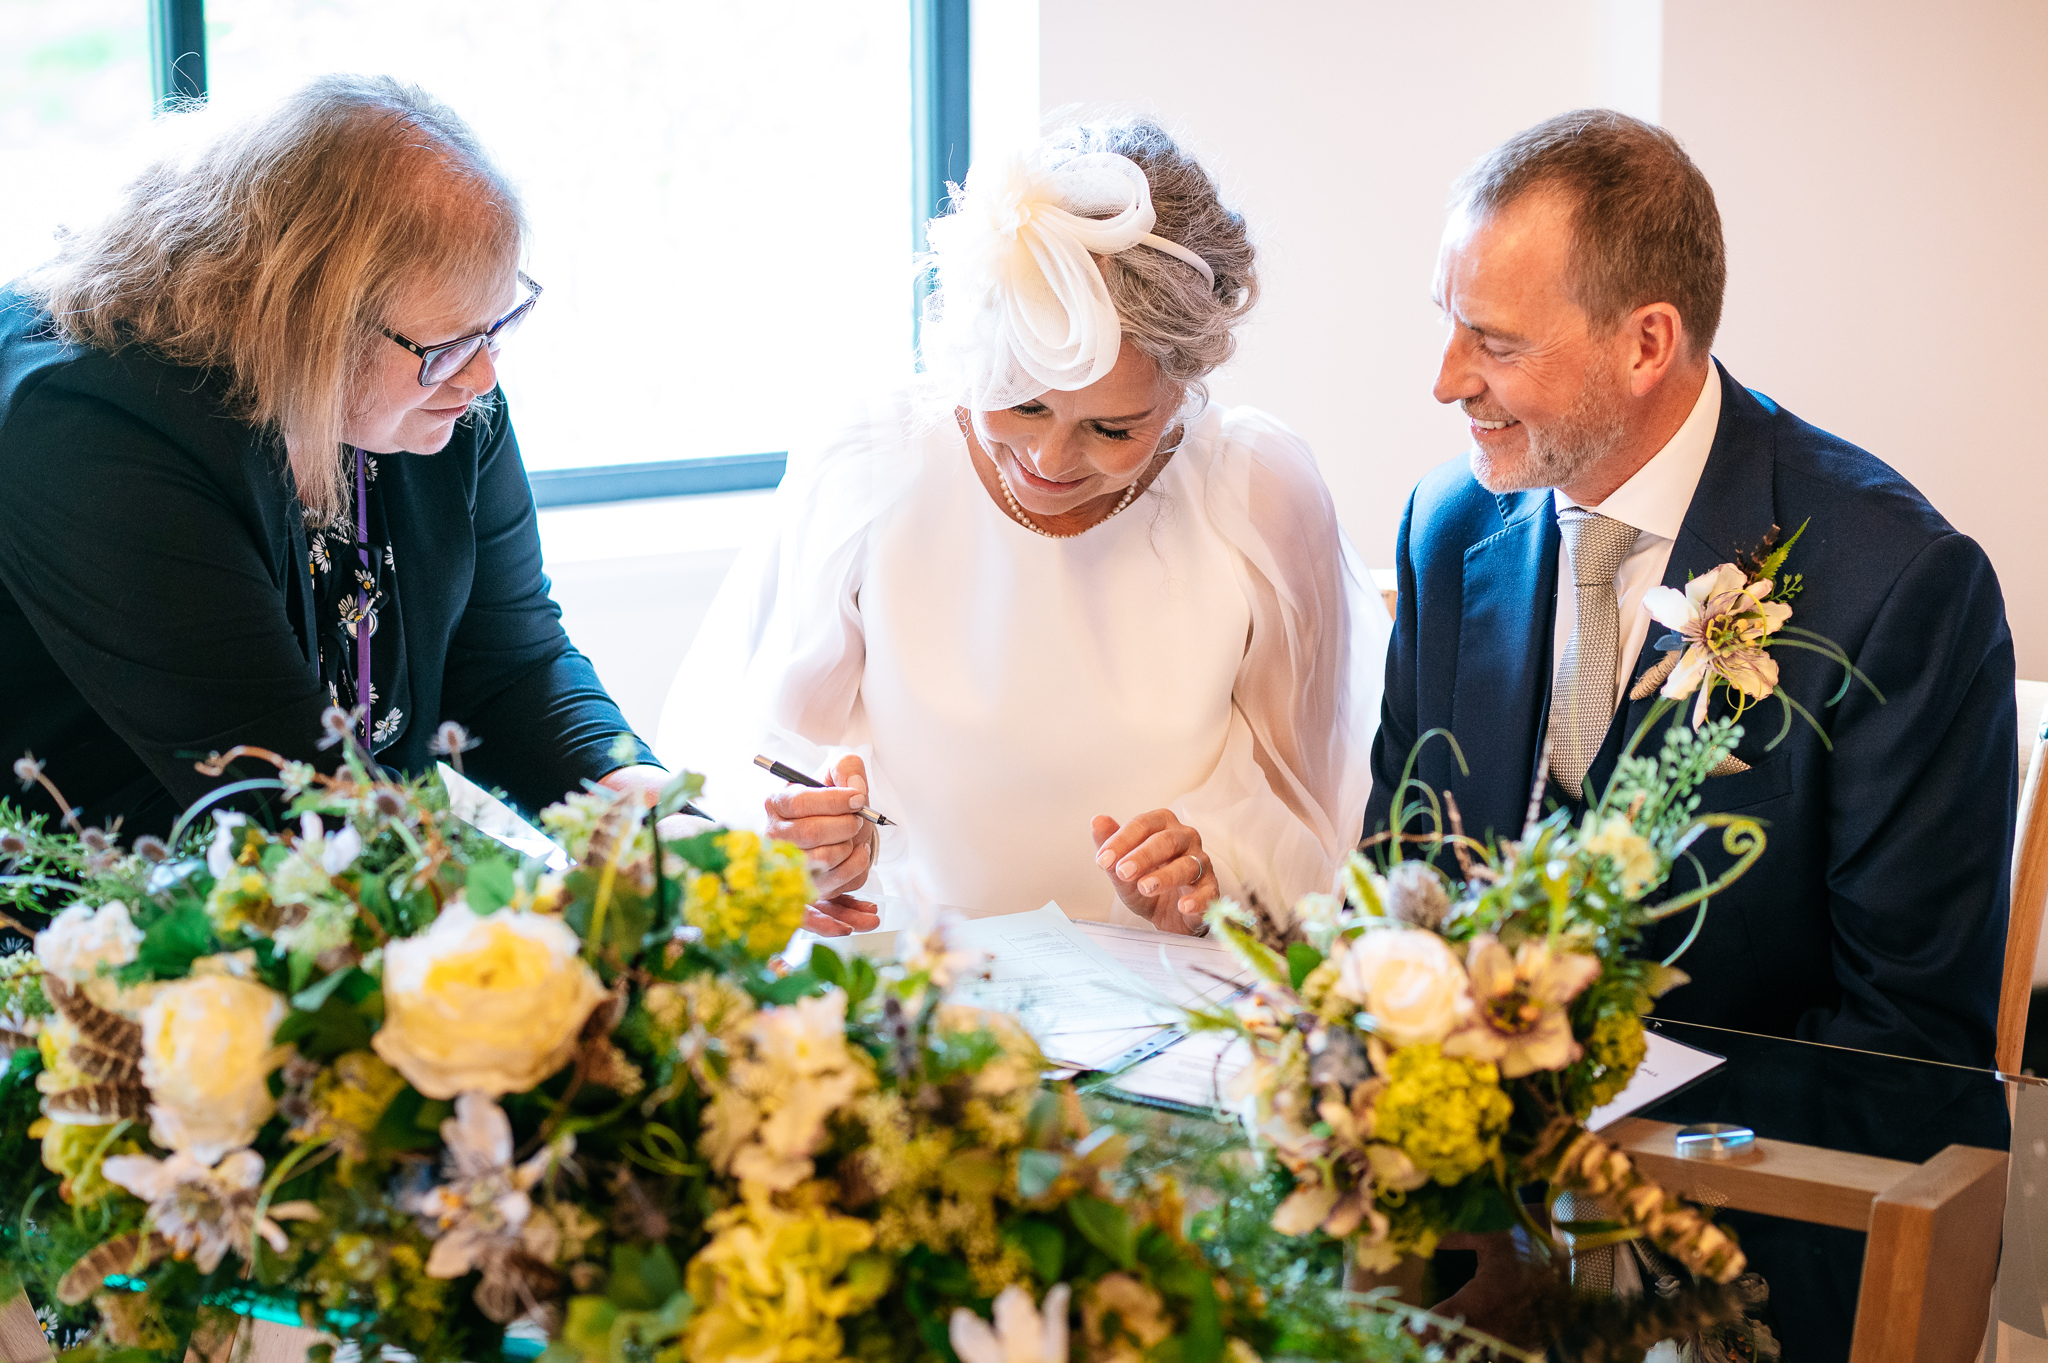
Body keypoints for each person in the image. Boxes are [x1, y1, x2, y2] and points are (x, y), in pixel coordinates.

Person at [1368, 109, 2013, 1355]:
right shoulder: (1445, 527)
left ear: (1645, 342)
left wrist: (1588, 1224)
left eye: (1491, 340)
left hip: (1761, 1230)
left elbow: (1905, 1044)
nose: (1444, 378)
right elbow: (1399, 880)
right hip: (1467, 1222)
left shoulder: (1896, 583)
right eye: (1445, 323)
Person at [660, 119, 1387, 935]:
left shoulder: (1259, 491)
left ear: (1186, 386)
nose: (1047, 457)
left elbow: (1311, 804)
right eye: (1021, 400)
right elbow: (766, 754)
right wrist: (810, 841)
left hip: (1170, 990)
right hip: (920, 980)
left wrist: (1210, 869)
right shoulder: (871, 463)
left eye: (1113, 429)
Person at [0, 76, 668, 838]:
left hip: (352, 886)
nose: (484, 378)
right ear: (301, 319)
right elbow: (287, 791)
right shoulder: (88, 426)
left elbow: (510, 667)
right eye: (449, 347)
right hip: (113, 914)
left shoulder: (432, 390)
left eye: (497, 324)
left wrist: (656, 818)